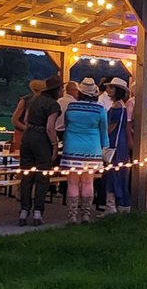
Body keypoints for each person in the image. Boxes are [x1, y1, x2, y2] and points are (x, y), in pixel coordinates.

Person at [59, 77, 109, 224]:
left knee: (72, 182)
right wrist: (106, 149)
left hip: (71, 148)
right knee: (88, 182)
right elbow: (104, 132)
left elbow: (66, 126)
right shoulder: (100, 109)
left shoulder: (71, 107)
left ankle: (72, 215)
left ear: (80, 92)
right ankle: (86, 214)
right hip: (92, 149)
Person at [13, 77, 60, 227]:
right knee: (42, 176)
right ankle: (38, 212)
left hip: (27, 137)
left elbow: (26, 120)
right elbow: (50, 127)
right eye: (61, 89)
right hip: (42, 139)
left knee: (26, 175)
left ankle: (23, 210)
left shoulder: (33, 100)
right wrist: (54, 145)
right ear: (56, 90)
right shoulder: (53, 105)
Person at [101, 78, 133, 211]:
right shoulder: (122, 105)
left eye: (111, 87)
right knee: (119, 172)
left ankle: (111, 206)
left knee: (113, 173)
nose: (108, 89)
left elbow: (111, 127)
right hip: (121, 142)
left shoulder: (117, 107)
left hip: (114, 142)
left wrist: (101, 137)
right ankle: (121, 204)